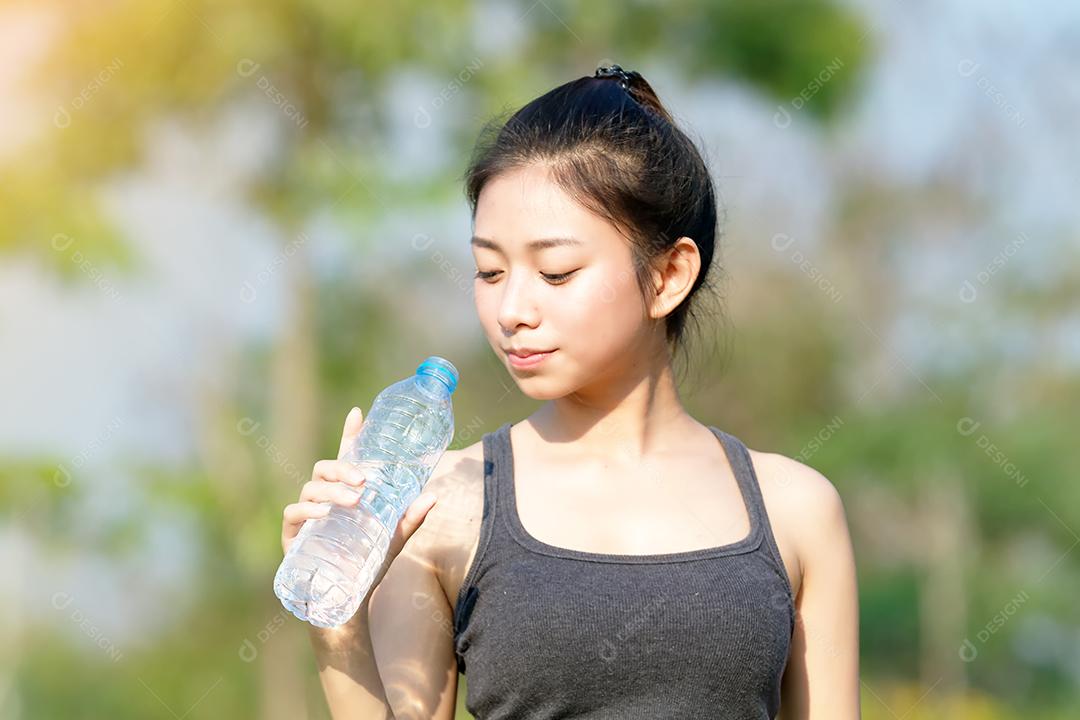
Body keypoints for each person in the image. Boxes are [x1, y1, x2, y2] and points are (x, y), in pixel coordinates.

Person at [281, 64, 860, 719]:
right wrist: (336, 626)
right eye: (490, 270)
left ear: (669, 275)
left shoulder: (797, 512)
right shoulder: (434, 506)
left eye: (555, 273)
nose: (511, 309)